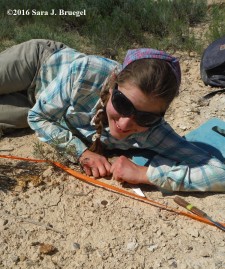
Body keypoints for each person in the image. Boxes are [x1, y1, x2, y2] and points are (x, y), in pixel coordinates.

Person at [1, 39, 225, 192]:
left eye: (146, 118)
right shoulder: (87, 70)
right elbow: (40, 118)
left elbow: (220, 173)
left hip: (36, 102)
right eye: (122, 104)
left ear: (159, 117)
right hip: (39, 65)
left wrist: (146, 174)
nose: (127, 123)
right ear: (113, 87)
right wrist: (82, 153)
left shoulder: (154, 132)